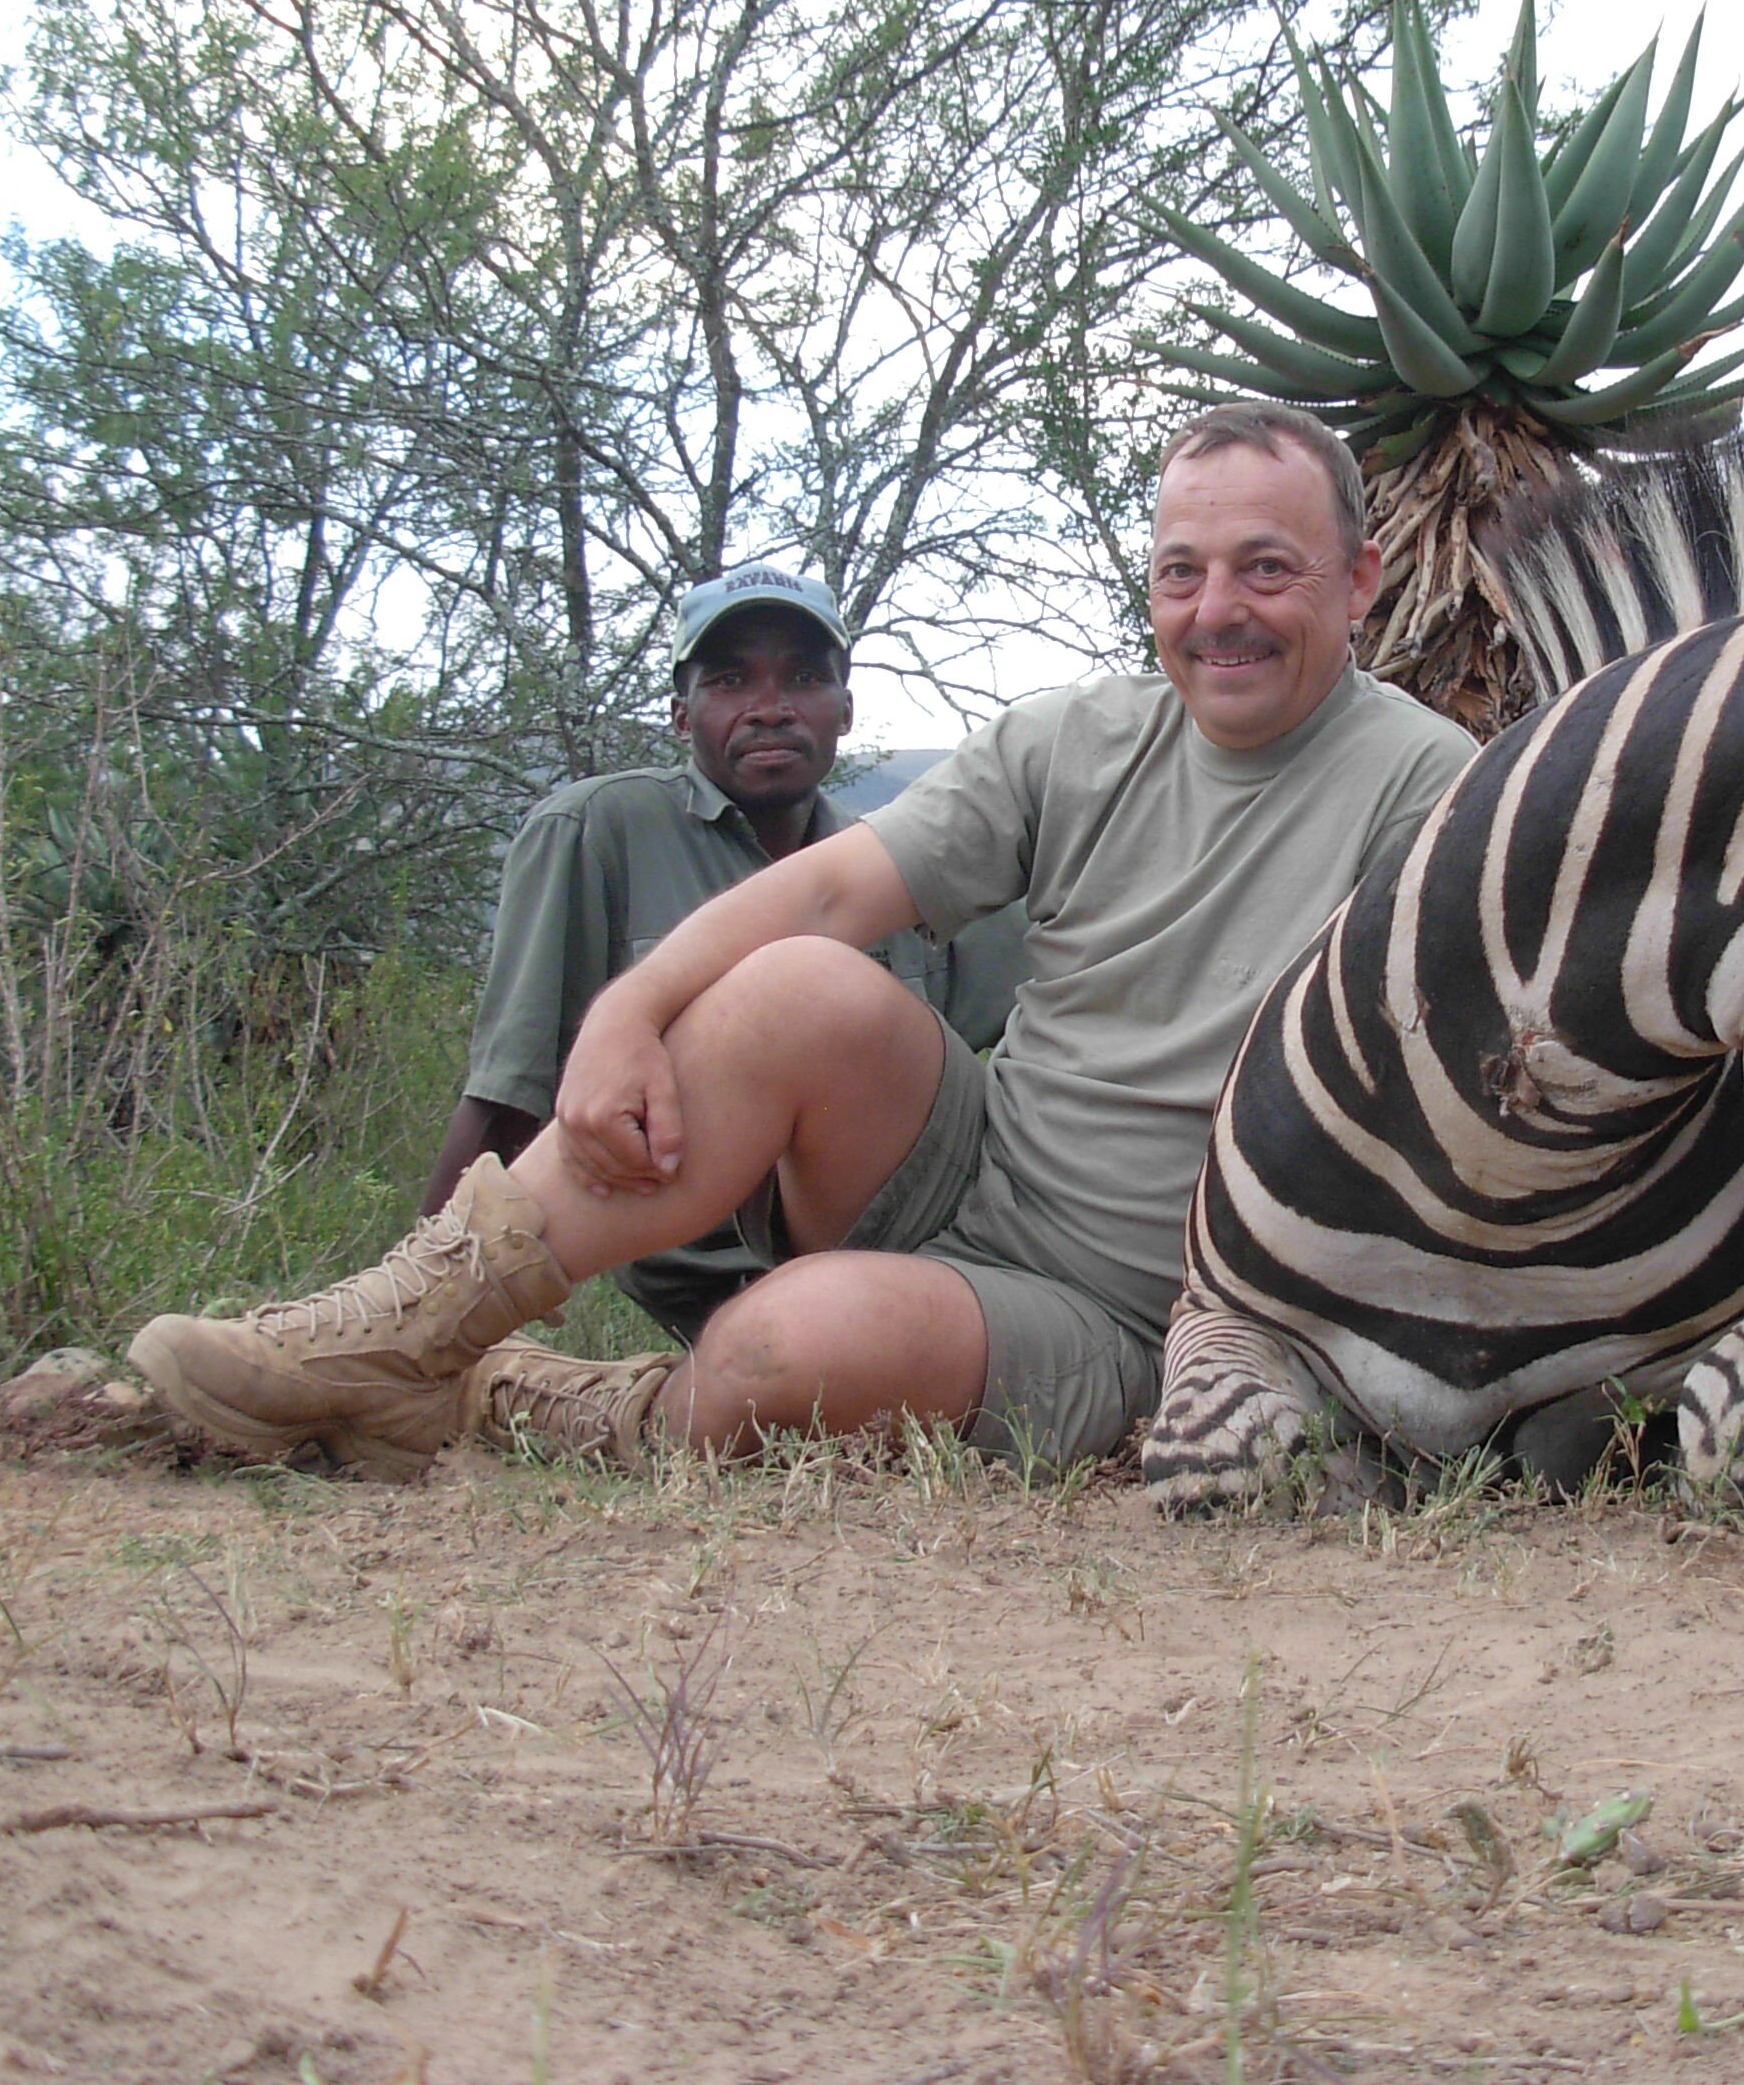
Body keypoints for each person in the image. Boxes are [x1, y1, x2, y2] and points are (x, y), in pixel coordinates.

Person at [118, 403, 1477, 1478]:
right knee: (799, 983)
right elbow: (831, 893)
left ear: (1357, 580)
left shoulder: (1437, 791)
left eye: (1266, 570)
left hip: (1146, 1312)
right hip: (976, 1174)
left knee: (775, 1347)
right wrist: (627, 1010)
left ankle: (556, 1407)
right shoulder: (1073, 737)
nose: (1216, 612)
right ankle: (396, 1332)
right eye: (1182, 572)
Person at [426, 560, 1024, 1346]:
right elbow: (511, 1090)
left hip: (884, 1254)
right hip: (698, 1266)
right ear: (682, 713)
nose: (770, 709)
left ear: (844, 710)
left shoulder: (901, 870)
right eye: (731, 681)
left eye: (804, 677)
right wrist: (424, 1302)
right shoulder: (598, 833)